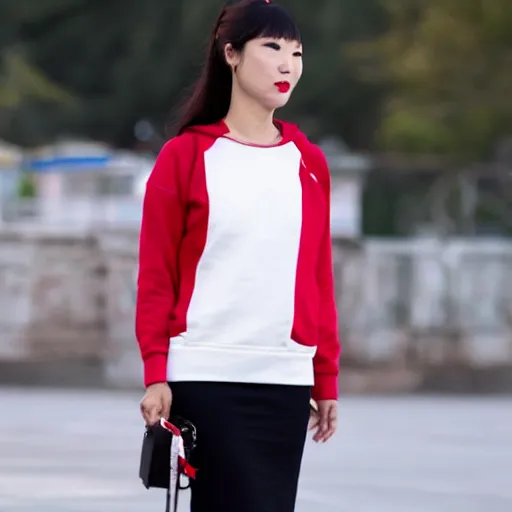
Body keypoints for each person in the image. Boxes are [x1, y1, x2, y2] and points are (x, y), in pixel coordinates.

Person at [136, 0, 341, 510]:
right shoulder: (185, 157)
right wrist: (156, 372)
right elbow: (156, 275)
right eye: (271, 47)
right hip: (206, 375)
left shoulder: (309, 163)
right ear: (231, 54)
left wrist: (326, 376)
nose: (287, 63)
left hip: (285, 379)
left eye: (296, 52)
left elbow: (317, 277)